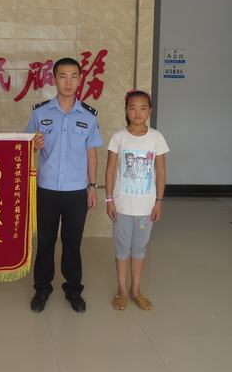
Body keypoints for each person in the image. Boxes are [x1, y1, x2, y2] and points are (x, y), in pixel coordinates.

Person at [25, 57, 103, 313]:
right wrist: (32, 145)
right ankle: (42, 289)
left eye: (73, 77)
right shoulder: (40, 113)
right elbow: (25, 147)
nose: (68, 82)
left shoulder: (89, 116)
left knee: (72, 243)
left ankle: (73, 290)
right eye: (62, 76)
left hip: (76, 191)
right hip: (46, 189)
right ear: (54, 79)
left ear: (80, 80)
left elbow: (92, 153)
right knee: (45, 242)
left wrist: (93, 186)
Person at [105, 89, 169, 311]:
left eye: (143, 108)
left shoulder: (156, 138)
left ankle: (136, 291)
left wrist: (159, 201)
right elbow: (110, 169)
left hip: (145, 209)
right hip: (122, 206)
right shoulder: (118, 137)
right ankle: (122, 290)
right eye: (132, 108)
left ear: (150, 111)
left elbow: (161, 171)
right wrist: (109, 200)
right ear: (126, 110)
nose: (138, 112)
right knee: (122, 248)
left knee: (139, 248)